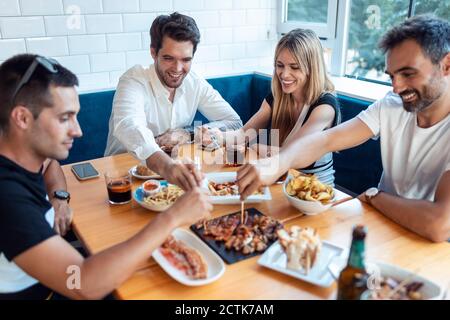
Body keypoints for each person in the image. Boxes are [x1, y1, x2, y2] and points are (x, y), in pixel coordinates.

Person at [0, 54, 212, 299]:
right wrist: (173, 217)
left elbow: (51, 164)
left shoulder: (22, 154)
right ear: (22, 118)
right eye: (64, 118)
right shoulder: (8, 199)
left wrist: (59, 197)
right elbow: (83, 283)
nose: (78, 130)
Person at [237, 15, 450, 243]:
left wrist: (375, 197)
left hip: (428, 248)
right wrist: (278, 163)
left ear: (446, 65)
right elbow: (325, 141)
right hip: (380, 226)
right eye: (392, 76)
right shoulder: (390, 106)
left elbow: (439, 225)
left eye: (408, 74)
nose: (396, 88)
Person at [104, 12, 242, 190]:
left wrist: (188, 133)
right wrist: (167, 167)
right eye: (169, 58)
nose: (177, 69)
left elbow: (235, 123)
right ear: (153, 52)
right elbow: (130, 126)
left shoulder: (195, 82)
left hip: (171, 180)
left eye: (186, 60)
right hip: (123, 178)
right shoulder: (133, 80)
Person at [201, 29, 340, 185]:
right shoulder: (278, 97)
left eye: (294, 67)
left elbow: (292, 154)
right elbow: (244, 133)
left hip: (314, 192)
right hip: (281, 182)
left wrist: (258, 148)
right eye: (280, 65)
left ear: (312, 68)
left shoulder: (325, 107)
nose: (284, 74)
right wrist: (218, 136)